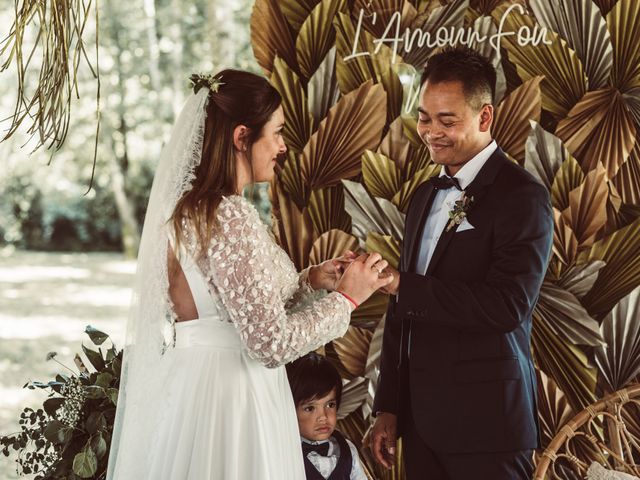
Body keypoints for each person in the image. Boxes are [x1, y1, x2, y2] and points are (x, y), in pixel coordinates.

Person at [106, 69, 393, 480]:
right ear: (242, 137)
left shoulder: (189, 213)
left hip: (193, 388)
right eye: (276, 133)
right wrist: (347, 298)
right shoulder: (229, 216)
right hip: (235, 398)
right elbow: (269, 343)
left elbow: (231, 306)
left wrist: (313, 280)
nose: (282, 146)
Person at [369, 47, 554, 480]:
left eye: (447, 120)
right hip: (419, 427)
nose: (431, 132)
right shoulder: (423, 197)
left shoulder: (522, 196)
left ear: (484, 117)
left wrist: (403, 286)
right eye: (425, 118)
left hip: (487, 426)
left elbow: (508, 306)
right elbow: (403, 314)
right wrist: (390, 405)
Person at [286, 352, 368, 480]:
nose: (323, 417)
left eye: (330, 405)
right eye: (310, 408)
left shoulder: (348, 450)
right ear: (290, 410)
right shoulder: (284, 453)